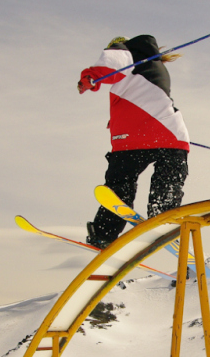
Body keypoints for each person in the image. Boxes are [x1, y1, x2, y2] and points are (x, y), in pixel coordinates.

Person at [78, 35, 190, 249]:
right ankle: (163, 212)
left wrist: (89, 78)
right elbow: (145, 100)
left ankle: (105, 233)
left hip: (130, 141)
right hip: (170, 135)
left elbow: (111, 63)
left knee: (120, 184)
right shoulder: (154, 66)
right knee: (168, 180)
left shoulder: (125, 51)